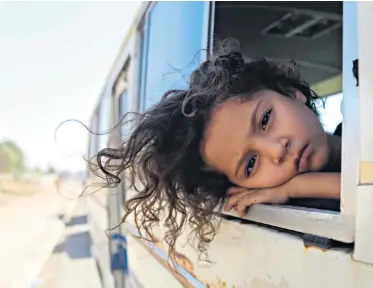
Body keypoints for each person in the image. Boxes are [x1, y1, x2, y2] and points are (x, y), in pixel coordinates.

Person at [89, 38, 341, 258]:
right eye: (251, 164)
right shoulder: (310, 206)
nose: (277, 151)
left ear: (291, 93)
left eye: (265, 120)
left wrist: (293, 186)